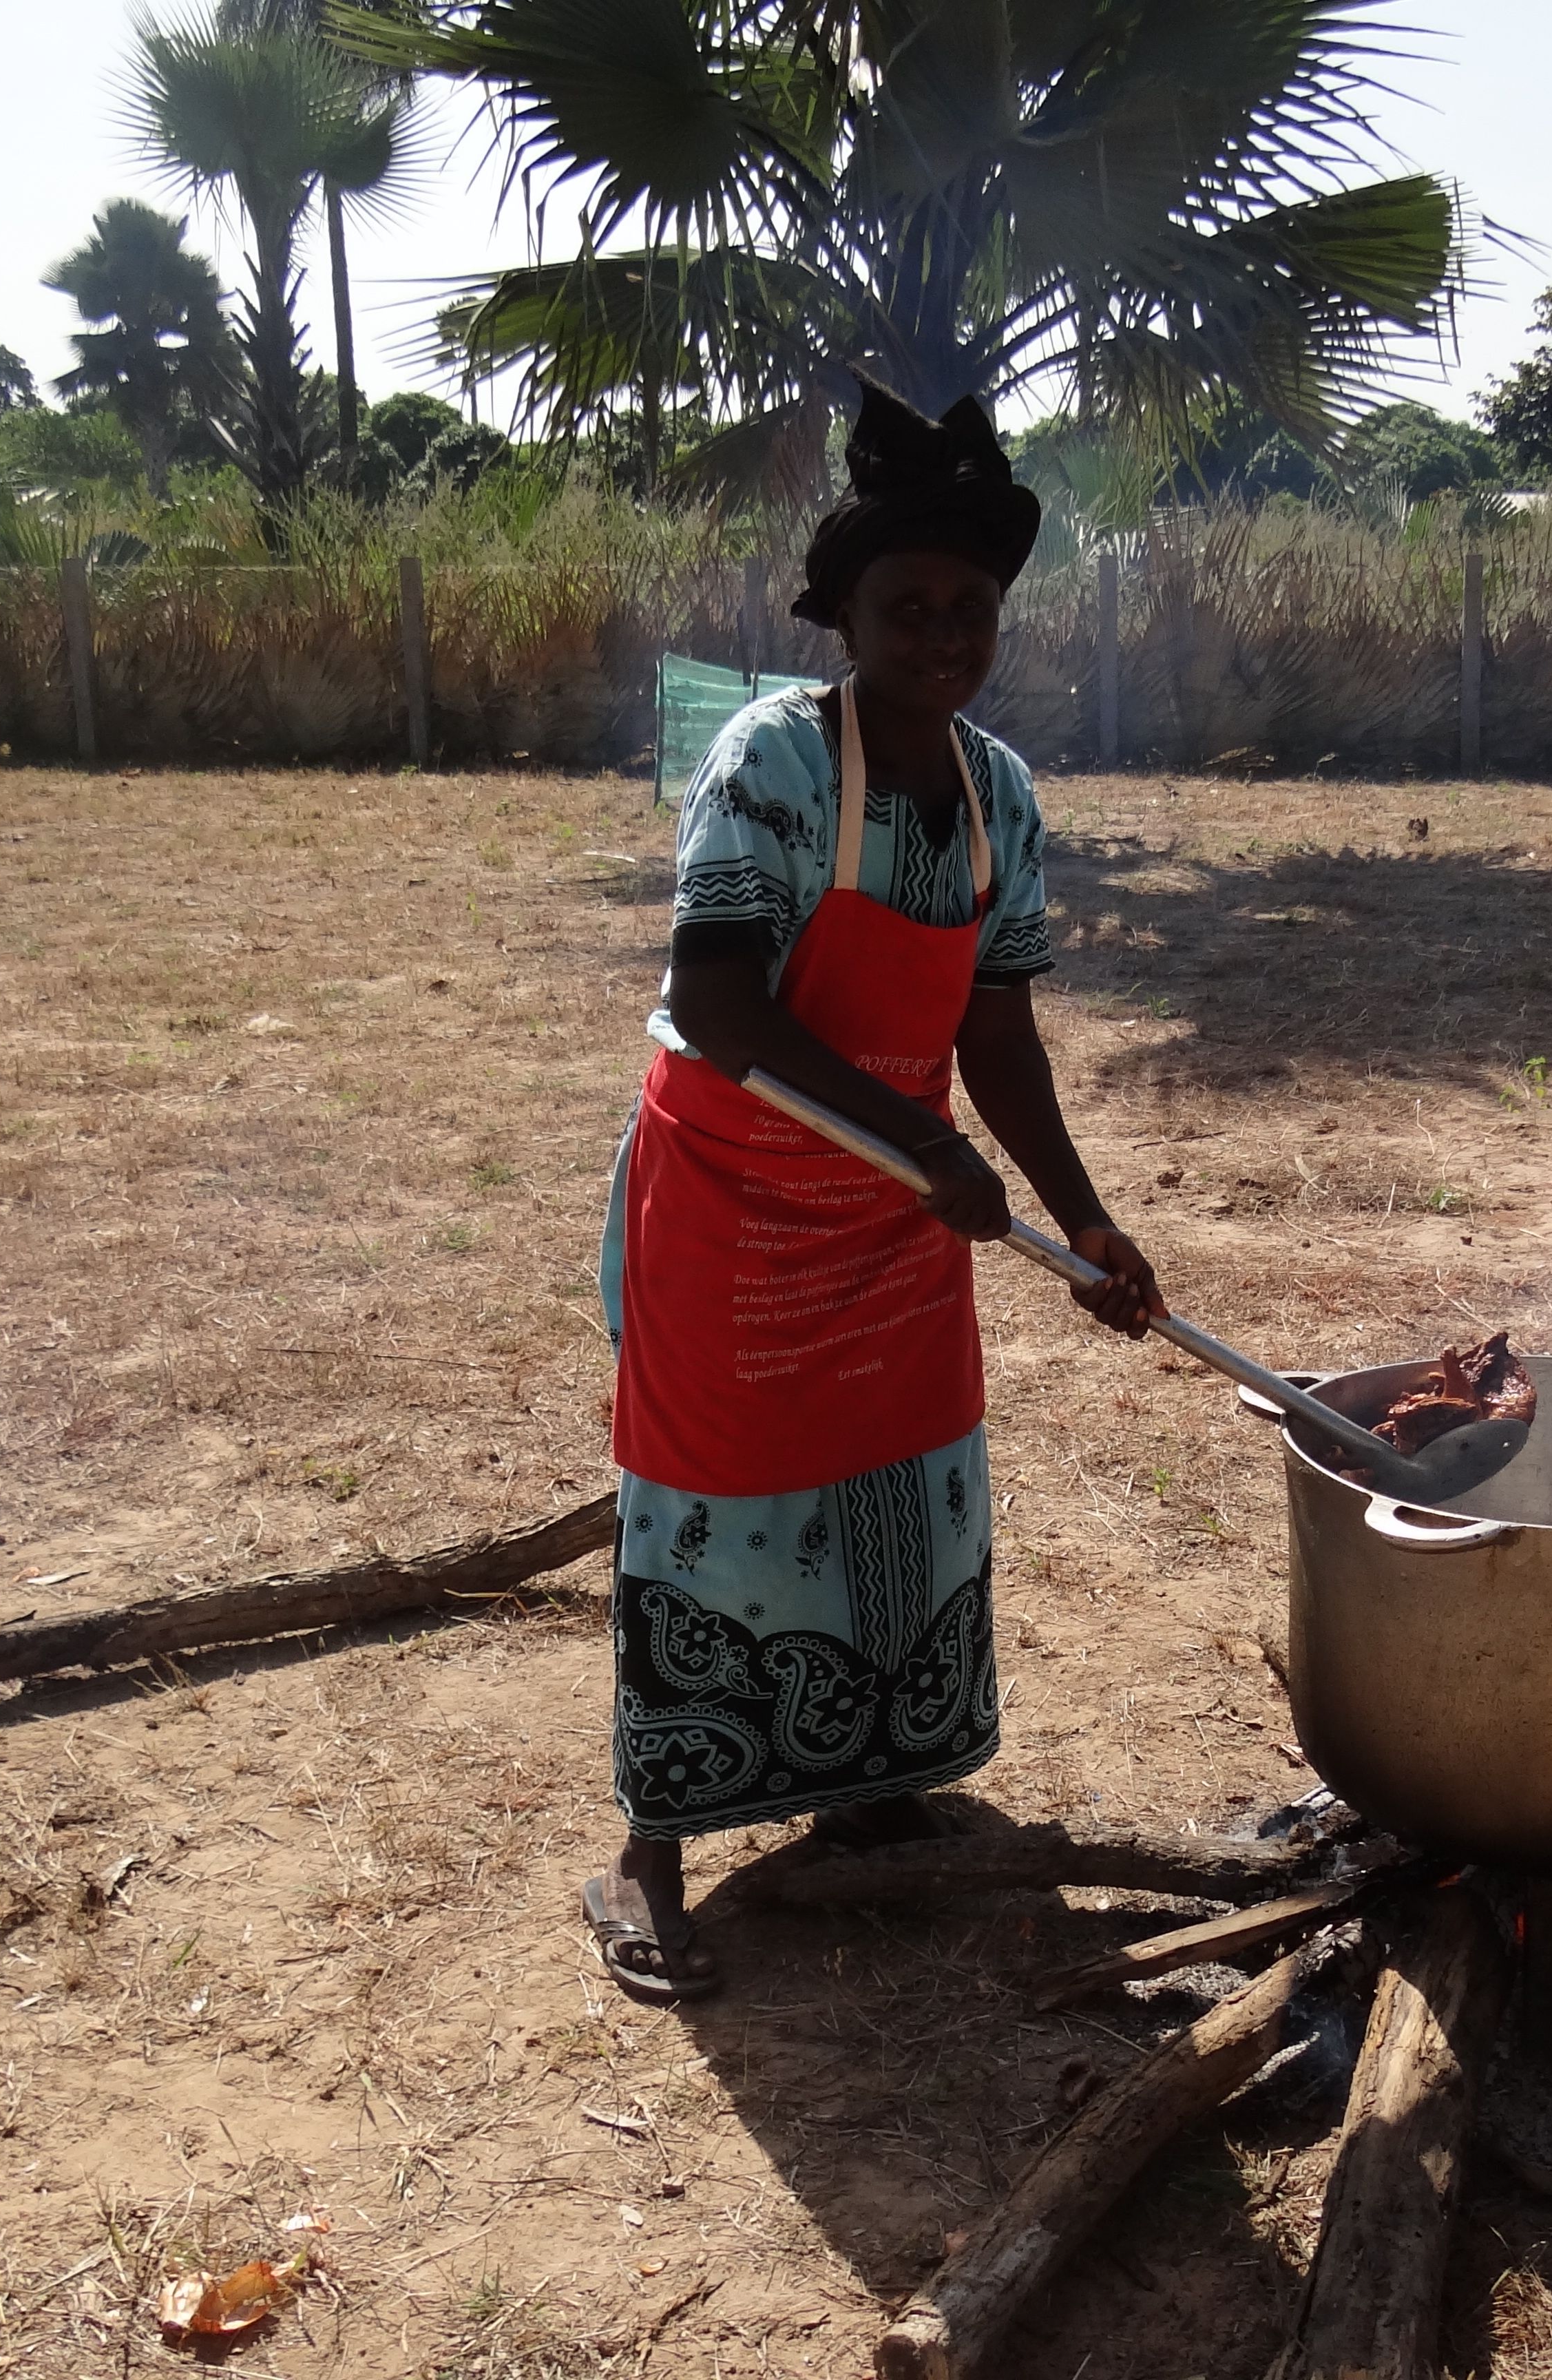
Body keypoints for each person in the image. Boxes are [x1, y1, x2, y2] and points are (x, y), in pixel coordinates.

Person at [585, 382, 1164, 2001]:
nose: (942, 631)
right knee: (709, 1512)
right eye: (906, 605)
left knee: (897, 1487)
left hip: (907, 1216)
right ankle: (651, 1847)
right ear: (842, 615)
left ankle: (866, 1790)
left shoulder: (1001, 791)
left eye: (968, 607)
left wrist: (1088, 1215)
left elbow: (997, 1020)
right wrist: (921, 1150)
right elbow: (718, 1000)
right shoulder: (772, 756)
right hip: (735, 1198)